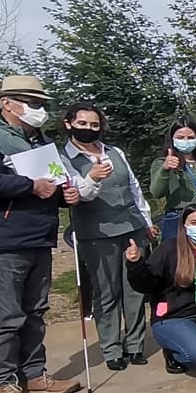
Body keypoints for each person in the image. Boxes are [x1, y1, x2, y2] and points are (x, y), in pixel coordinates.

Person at [0, 75, 83, 393]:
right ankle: (0, 384)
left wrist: (62, 195)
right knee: (7, 316)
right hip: (2, 241)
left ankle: (33, 374)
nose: (39, 110)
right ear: (7, 103)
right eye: (33, 103)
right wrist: (29, 186)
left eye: (41, 103)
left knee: (35, 311)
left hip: (37, 235)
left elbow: (48, 182)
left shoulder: (35, 137)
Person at [62, 103, 157, 372]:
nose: (89, 129)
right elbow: (77, 195)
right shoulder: (64, 158)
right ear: (69, 124)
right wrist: (91, 178)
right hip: (97, 232)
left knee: (134, 289)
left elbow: (133, 187)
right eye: (83, 124)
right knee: (107, 292)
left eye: (94, 124)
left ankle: (136, 344)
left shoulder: (115, 152)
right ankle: (112, 347)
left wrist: (146, 221)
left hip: (132, 227)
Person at [125, 203, 196, 374]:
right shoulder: (167, 249)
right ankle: (174, 352)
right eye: (194, 223)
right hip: (172, 316)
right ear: (184, 225)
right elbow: (145, 285)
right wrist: (136, 264)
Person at [149, 116, 196, 241]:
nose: (186, 140)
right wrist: (165, 169)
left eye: (190, 137)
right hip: (177, 218)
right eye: (180, 137)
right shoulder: (162, 162)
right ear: (172, 140)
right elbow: (156, 192)